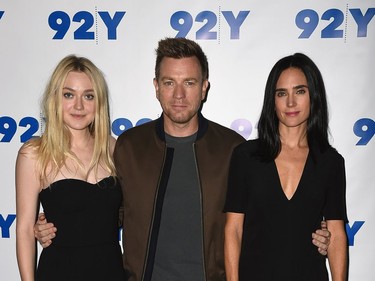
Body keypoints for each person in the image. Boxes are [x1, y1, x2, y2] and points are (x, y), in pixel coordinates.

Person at [33, 39, 332, 281]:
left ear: (204, 88)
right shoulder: (128, 146)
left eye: (189, 83)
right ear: (155, 87)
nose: (178, 94)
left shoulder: (233, 149)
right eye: (168, 83)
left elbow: (258, 220)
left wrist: (314, 232)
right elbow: (110, 213)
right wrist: (52, 226)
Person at [224, 53, 348, 281]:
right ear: (273, 100)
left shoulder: (331, 162)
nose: (291, 102)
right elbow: (233, 230)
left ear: (314, 96)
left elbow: (337, 234)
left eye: (300, 91)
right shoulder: (246, 157)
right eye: (282, 93)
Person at [15, 55, 125, 281]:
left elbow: (126, 213)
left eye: (88, 96)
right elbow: (25, 230)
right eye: (68, 95)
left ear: (99, 102)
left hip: (111, 271)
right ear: (55, 98)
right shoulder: (34, 154)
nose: (78, 105)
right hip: (58, 273)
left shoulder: (113, 148)